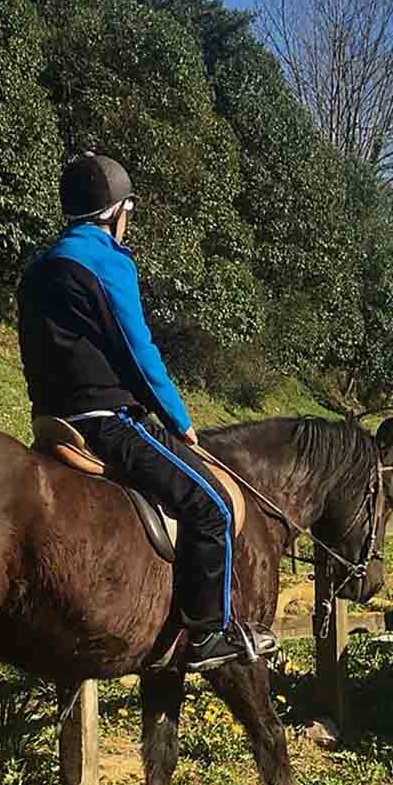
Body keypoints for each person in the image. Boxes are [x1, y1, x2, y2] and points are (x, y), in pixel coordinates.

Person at [17, 152, 277, 671]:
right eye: (127, 211)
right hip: (105, 422)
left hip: (52, 422)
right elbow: (139, 353)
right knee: (213, 508)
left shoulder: (39, 267)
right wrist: (179, 419)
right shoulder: (108, 261)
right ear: (115, 212)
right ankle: (207, 634)